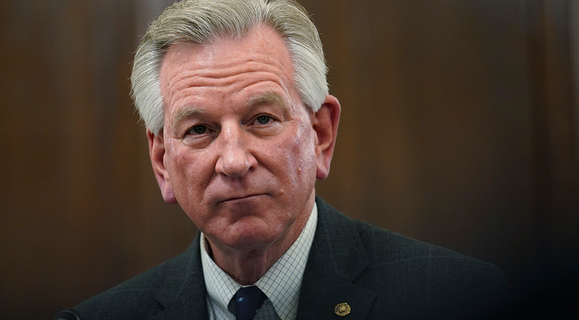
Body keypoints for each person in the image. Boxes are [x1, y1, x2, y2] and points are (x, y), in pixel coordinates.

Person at [55, 0, 507, 319]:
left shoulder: (457, 299)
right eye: (199, 130)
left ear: (321, 135)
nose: (232, 161)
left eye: (262, 119)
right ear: (161, 163)